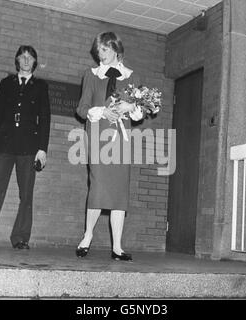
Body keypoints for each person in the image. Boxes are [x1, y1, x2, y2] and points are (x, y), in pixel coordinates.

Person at [0, 45, 51, 249]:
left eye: (30, 57)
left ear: (34, 62)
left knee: (26, 196)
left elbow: (45, 119)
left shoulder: (41, 86)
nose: (25, 60)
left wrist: (42, 149)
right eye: (22, 57)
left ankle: (20, 238)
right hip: (4, 145)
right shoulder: (6, 83)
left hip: (29, 148)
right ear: (17, 60)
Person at [76, 32, 143, 261]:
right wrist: (101, 111)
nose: (99, 54)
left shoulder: (131, 76)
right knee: (97, 188)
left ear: (115, 48)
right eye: (98, 50)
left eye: (103, 50)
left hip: (122, 141)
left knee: (118, 193)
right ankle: (87, 236)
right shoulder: (91, 75)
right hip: (99, 138)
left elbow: (139, 112)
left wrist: (130, 107)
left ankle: (117, 247)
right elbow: (81, 109)